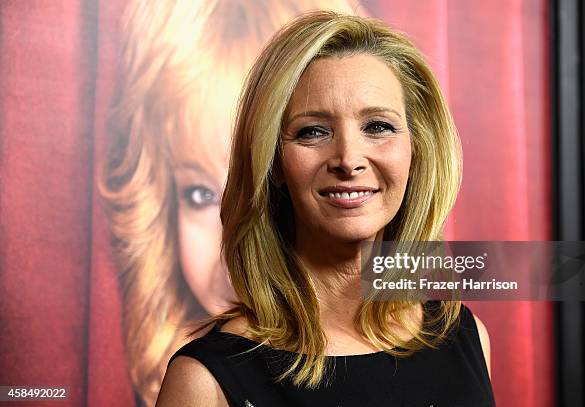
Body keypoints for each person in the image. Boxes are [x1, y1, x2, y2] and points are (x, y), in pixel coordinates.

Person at [156, 10, 495, 407]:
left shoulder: (466, 336)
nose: (349, 159)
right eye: (313, 131)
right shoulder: (205, 381)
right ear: (274, 163)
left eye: (378, 127)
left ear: (415, 150)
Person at [98, 1, 361, 406]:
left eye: (267, 190)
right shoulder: (194, 379)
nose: (230, 245)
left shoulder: (451, 339)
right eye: (200, 195)